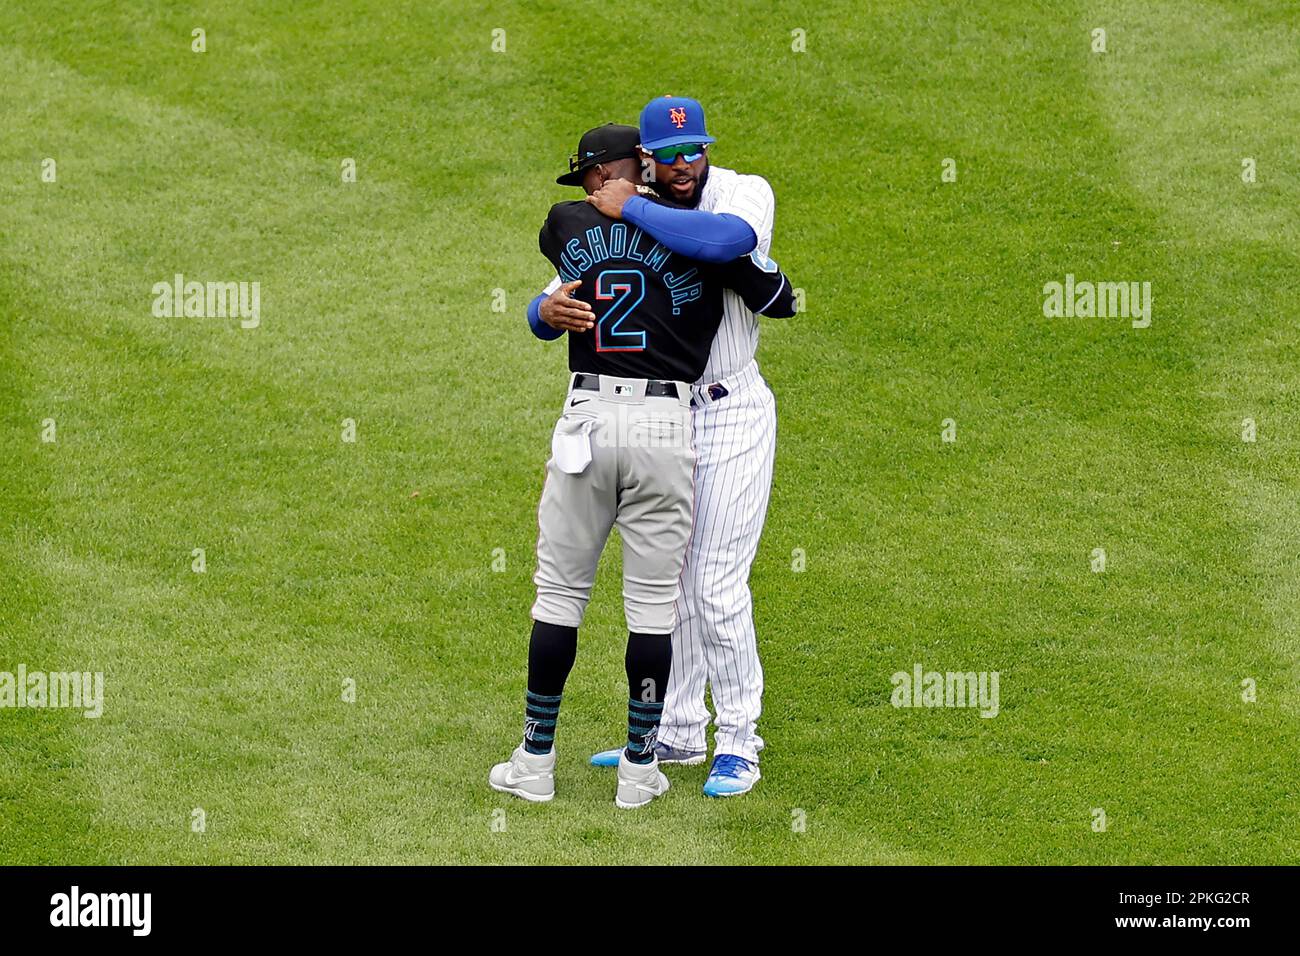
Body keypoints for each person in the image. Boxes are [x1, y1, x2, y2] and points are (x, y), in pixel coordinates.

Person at [492, 124, 796, 809]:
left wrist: (631, 209)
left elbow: (727, 249)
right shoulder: (648, 221)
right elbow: (551, 303)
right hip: (669, 420)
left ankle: (734, 741)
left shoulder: (725, 205)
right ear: (650, 160)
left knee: (691, 586)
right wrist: (545, 308)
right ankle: (662, 745)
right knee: (664, 596)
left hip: (675, 414)